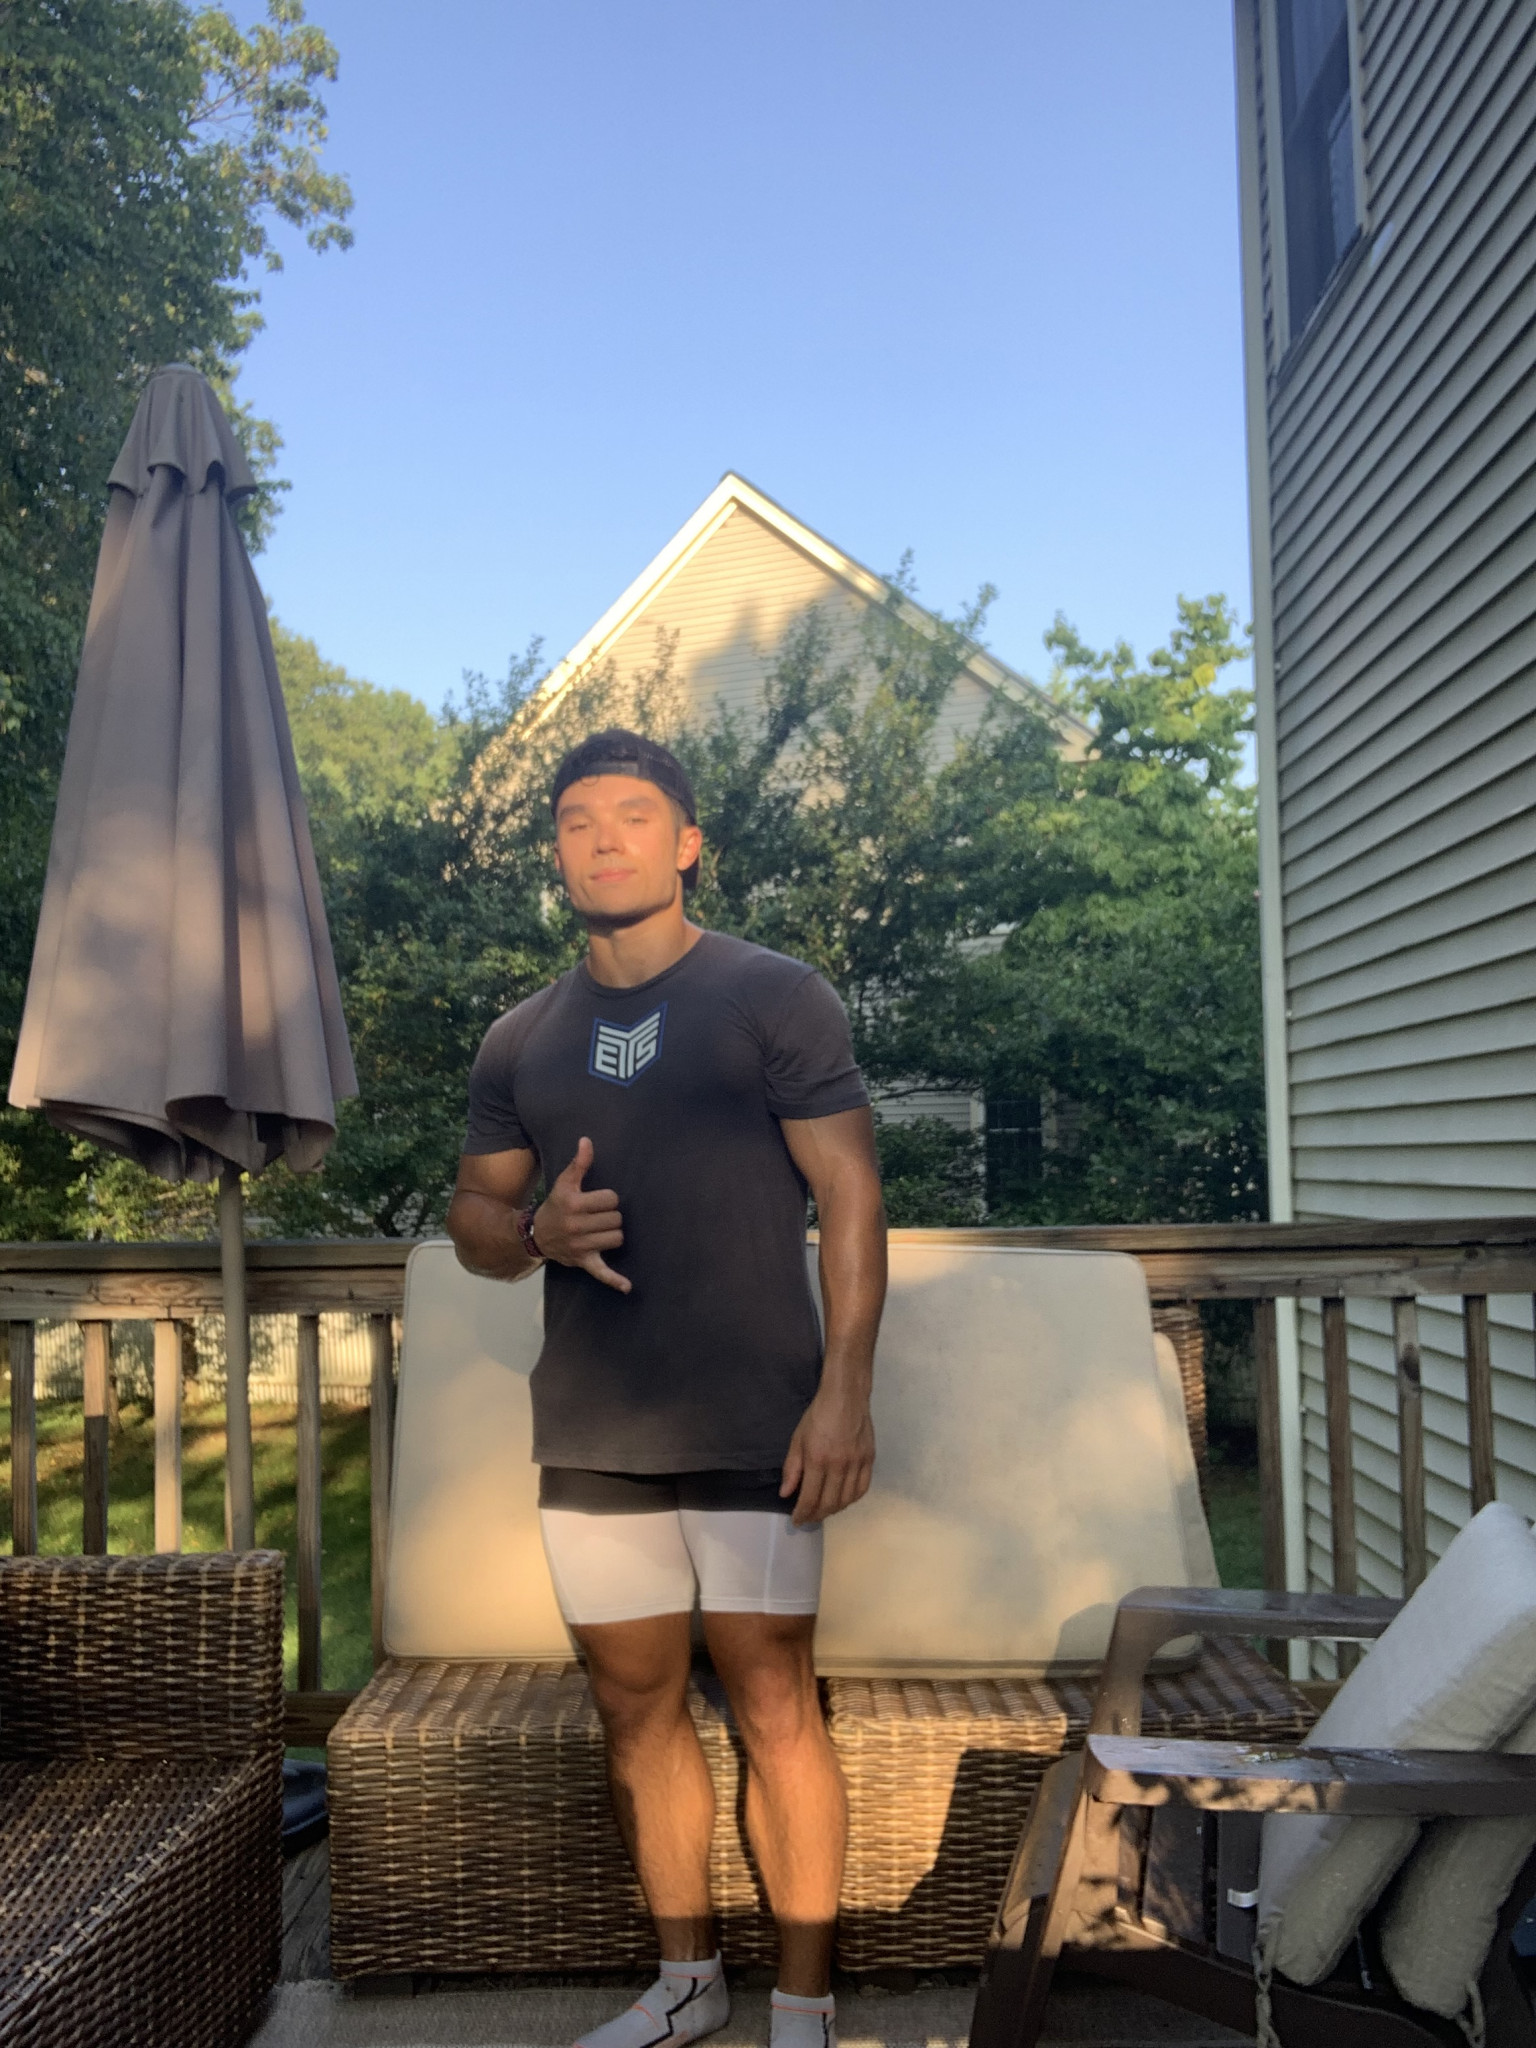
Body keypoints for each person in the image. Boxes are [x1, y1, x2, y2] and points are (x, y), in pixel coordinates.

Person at [447, 729, 887, 2048]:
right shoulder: (520, 1038)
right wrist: (536, 1234)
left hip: (760, 1418)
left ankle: (803, 2005)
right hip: (594, 1428)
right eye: (577, 820)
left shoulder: (773, 996)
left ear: (687, 843)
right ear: (557, 853)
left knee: (773, 1701)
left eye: (633, 816)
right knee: (633, 1706)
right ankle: (688, 1984)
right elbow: (475, 1220)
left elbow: (851, 1195)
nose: (604, 839)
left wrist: (845, 1392)